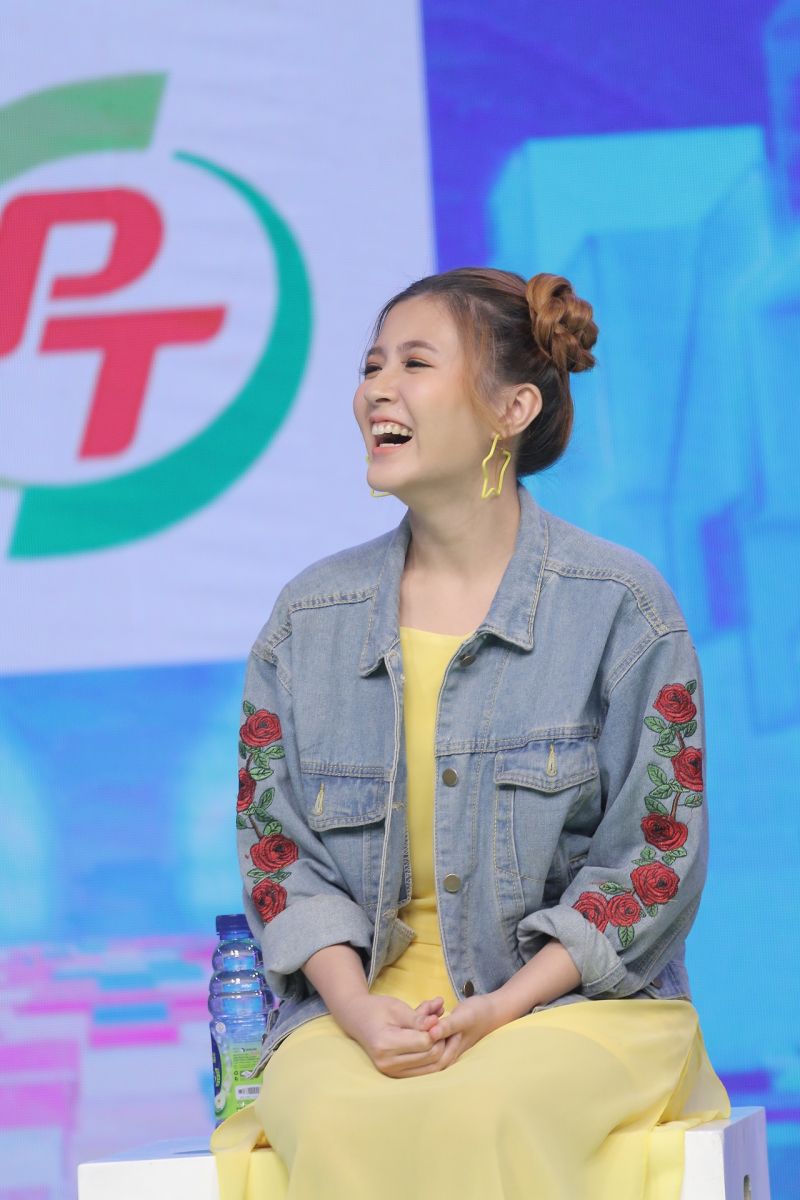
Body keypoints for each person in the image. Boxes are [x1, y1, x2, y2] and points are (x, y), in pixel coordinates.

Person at [211, 268, 731, 1199]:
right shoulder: (308, 619)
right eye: (372, 365)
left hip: (578, 1007)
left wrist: (500, 1009)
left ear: (512, 408)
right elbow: (277, 855)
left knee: (483, 1109)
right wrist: (357, 1011)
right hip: (362, 1012)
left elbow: (655, 858)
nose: (378, 390)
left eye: (415, 364)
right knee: (336, 1115)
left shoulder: (621, 608)